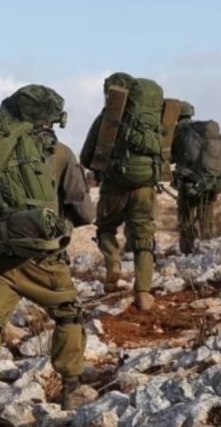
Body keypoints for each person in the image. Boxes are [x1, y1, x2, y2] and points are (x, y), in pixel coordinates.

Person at [0, 86, 97, 426]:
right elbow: (85, 212)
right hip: (42, 261)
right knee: (68, 314)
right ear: (50, 118)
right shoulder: (59, 153)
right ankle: (71, 387)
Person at [80, 72, 162, 311]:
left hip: (114, 185)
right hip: (145, 188)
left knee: (106, 228)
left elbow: (87, 156)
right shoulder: (151, 118)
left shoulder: (107, 118)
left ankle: (113, 263)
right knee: (143, 239)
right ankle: (143, 294)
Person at [170, 101, 221, 254]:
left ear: (177, 115)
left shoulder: (179, 132)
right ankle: (207, 247)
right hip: (210, 182)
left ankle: (187, 250)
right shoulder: (203, 132)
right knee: (206, 218)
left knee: (185, 218)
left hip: (188, 183)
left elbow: (171, 157)